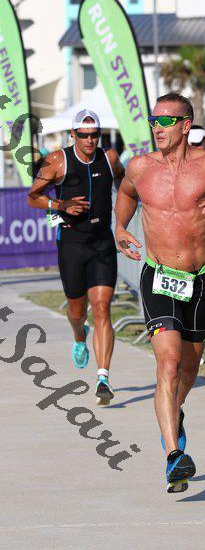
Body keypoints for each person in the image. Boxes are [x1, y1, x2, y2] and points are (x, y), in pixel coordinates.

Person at [114, 92, 205, 493]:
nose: (157, 128)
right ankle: (173, 455)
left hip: (199, 280)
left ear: (185, 125)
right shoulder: (140, 166)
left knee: (188, 369)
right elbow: (126, 193)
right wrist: (120, 227)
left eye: (165, 121)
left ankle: (175, 411)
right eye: (153, 121)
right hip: (158, 277)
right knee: (168, 364)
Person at [27, 109, 124, 406]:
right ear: (73, 135)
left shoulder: (110, 158)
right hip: (71, 243)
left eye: (95, 135)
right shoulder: (58, 160)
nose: (90, 140)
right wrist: (60, 204)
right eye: (83, 135)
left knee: (102, 307)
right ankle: (79, 336)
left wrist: (124, 220)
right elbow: (33, 197)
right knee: (77, 312)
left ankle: (103, 378)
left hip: (102, 242)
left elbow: (125, 187)